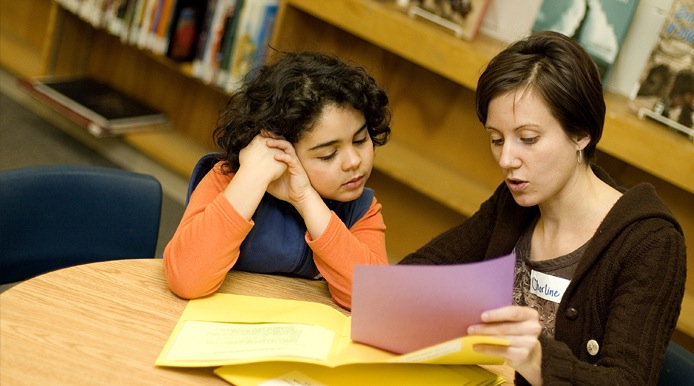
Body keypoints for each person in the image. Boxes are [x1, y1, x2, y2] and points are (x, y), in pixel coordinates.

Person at [399, 31, 686, 385]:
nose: (506, 159)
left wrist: (537, 360)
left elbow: (627, 381)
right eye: (496, 139)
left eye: (529, 139)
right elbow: (416, 276)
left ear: (582, 134)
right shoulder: (515, 204)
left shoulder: (650, 243)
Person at [164, 51, 392, 310]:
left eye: (360, 140)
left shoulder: (361, 209)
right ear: (280, 150)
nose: (353, 161)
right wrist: (252, 176)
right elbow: (186, 279)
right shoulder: (229, 181)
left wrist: (306, 200)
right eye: (328, 155)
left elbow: (374, 298)